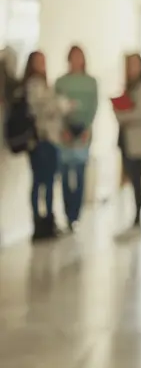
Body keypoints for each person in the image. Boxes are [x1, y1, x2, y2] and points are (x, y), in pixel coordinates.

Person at [23, 51, 74, 241]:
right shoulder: (33, 85)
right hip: (41, 140)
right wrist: (59, 105)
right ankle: (39, 222)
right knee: (40, 182)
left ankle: (49, 220)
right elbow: (40, 109)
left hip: (52, 140)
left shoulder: (46, 85)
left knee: (50, 182)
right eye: (38, 62)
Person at [55, 45, 98, 231]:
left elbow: (93, 106)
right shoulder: (61, 82)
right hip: (65, 133)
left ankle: (76, 215)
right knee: (65, 175)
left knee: (79, 174)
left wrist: (87, 128)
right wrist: (63, 128)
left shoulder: (91, 82)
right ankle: (67, 213)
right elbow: (56, 106)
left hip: (83, 132)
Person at [114, 53, 141, 230]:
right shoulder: (129, 88)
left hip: (137, 142)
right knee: (129, 177)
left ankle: (137, 216)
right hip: (126, 139)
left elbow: (140, 113)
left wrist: (122, 114)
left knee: (136, 179)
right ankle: (132, 216)